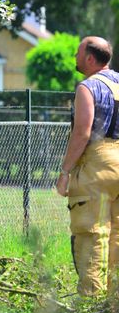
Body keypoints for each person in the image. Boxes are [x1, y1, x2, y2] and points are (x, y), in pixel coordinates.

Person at [57, 36, 119, 296]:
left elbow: (82, 132)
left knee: (91, 232)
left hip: (97, 162)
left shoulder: (87, 87)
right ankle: (114, 298)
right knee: (117, 233)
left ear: (90, 59)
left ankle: (92, 299)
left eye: (78, 53)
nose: (75, 57)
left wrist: (65, 172)